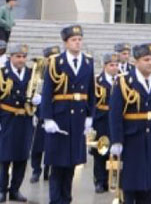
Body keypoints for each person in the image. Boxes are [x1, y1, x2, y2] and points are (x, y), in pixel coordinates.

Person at [108, 42, 151, 204]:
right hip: (132, 140)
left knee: (148, 186)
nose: (150, 63)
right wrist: (116, 140)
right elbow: (115, 114)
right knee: (130, 185)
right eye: (146, 59)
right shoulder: (124, 82)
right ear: (136, 62)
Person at [40, 24, 95, 204]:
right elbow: (48, 91)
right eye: (74, 40)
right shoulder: (56, 62)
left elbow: (91, 91)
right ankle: (56, 200)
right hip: (60, 117)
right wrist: (47, 118)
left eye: (79, 40)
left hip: (78, 118)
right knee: (58, 164)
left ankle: (67, 198)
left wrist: (89, 115)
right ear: (65, 42)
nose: (78, 43)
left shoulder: (88, 61)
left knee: (71, 163)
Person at [0, 43, 36, 202]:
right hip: (7, 118)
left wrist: (37, 103)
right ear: (11, 57)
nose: (21, 60)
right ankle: (1, 190)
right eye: (18, 57)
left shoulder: (31, 73)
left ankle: (15, 189)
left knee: (22, 156)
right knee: (4, 157)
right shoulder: (2, 73)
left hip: (25, 119)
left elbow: (36, 92)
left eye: (23, 57)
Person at [29, 45, 59, 184]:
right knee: (37, 146)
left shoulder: (60, 72)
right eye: (49, 58)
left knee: (51, 146)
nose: (51, 60)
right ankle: (36, 170)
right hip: (39, 113)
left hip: (55, 113)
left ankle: (48, 170)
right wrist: (34, 102)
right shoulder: (39, 73)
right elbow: (30, 90)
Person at [91, 53, 118, 194]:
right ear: (105, 66)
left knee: (115, 151)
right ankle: (100, 181)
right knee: (100, 152)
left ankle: (113, 180)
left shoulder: (121, 81)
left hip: (116, 120)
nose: (115, 68)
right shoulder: (97, 81)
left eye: (116, 65)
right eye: (111, 65)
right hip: (101, 119)